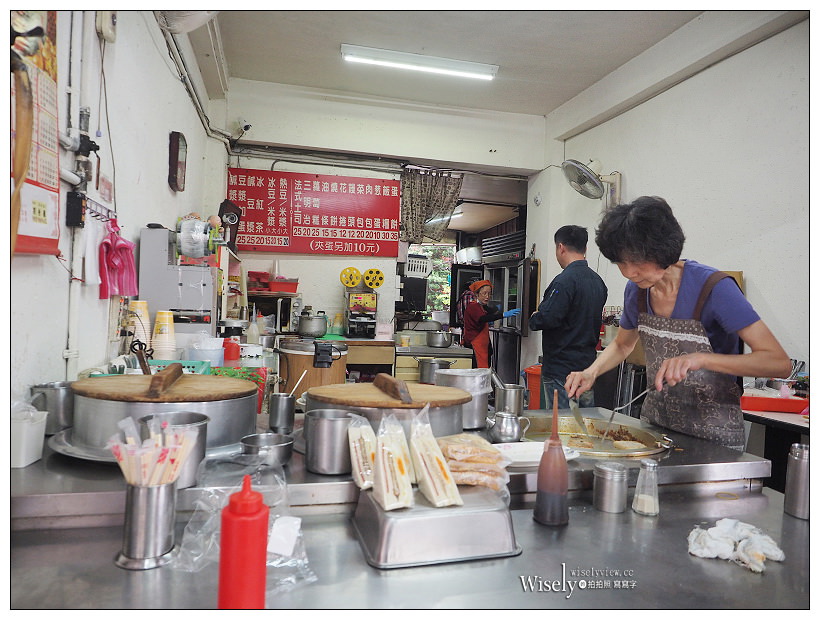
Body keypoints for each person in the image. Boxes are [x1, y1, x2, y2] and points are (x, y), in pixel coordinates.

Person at [565, 196, 790, 450]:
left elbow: (778, 363)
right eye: (620, 263)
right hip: (654, 431)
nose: (628, 272)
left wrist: (701, 359)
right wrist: (590, 372)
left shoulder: (715, 289)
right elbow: (623, 345)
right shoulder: (636, 291)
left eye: (636, 262)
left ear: (662, 250)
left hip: (715, 437)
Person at [529, 225, 607, 409]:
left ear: (561, 247)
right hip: (586, 369)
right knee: (585, 425)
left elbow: (548, 318)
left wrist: (535, 317)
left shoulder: (564, 281)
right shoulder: (598, 282)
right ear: (585, 249)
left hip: (560, 371)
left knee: (560, 427)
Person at [462, 279, 521, 368]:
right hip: (475, 343)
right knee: (479, 371)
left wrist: (505, 305)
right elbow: (484, 318)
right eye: (484, 293)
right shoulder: (473, 307)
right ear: (477, 294)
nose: (487, 296)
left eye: (489, 294)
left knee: (484, 370)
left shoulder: (482, 306)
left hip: (483, 344)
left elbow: (491, 310)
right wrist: (504, 314)